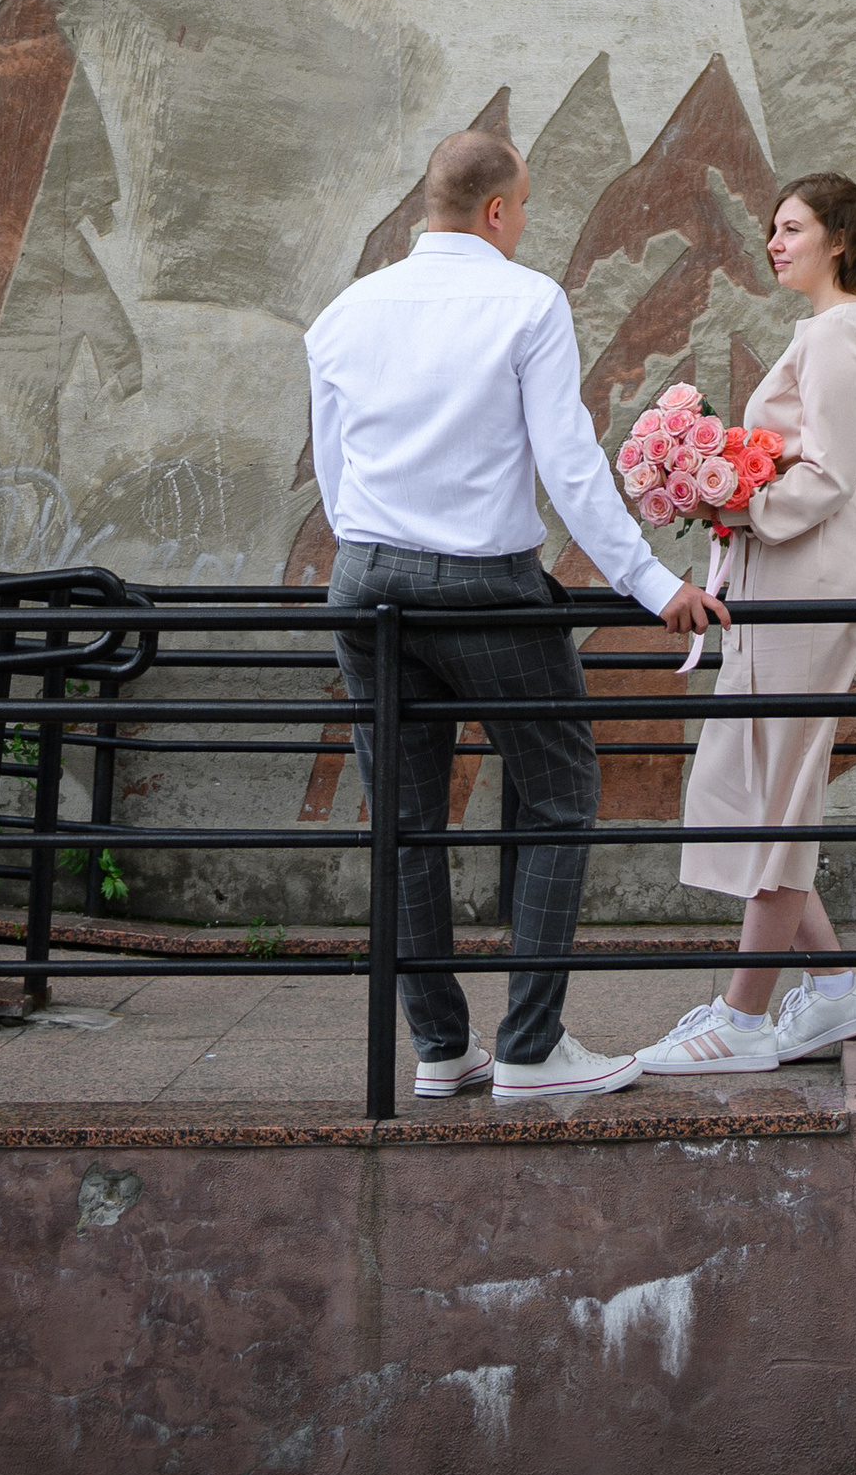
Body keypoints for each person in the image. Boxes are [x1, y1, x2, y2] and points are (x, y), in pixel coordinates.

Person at [307, 127, 725, 1103]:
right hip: (484, 587)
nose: (525, 224)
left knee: (402, 821)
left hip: (366, 584)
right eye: (525, 206)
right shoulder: (527, 298)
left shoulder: (343, 312)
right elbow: (569, 466)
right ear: (497, 211)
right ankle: (531, 1047)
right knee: (557, 790)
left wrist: (379, 555)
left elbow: (337, 477)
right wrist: (655, 585)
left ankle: (441, 1048)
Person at [636, 171, 856, 1075]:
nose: (775, 242)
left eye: (791, 228)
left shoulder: (835, 335)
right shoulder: (824, 332)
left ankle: (742, 1017)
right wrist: (723, 492)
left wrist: (732, 504)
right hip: (786, 579)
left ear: (838, 237)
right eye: (772, 228)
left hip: (812, 582)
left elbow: (828, 475)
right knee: (763, 782)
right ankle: (833, 990)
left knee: (780, 792)